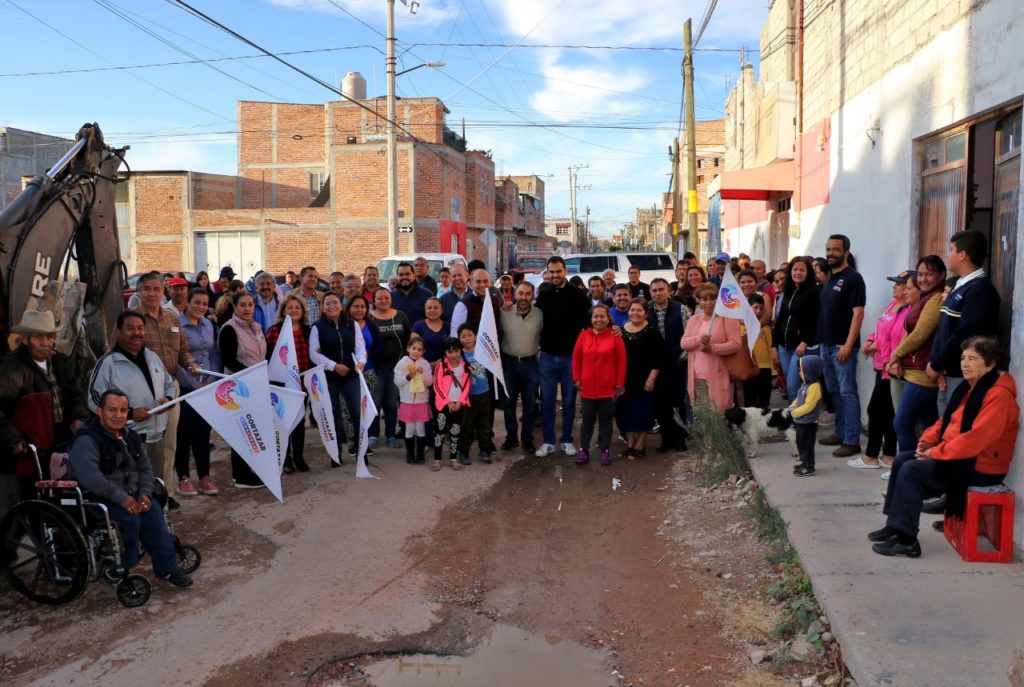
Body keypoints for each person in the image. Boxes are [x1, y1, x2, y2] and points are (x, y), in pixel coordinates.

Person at [870, 337, 1017, 558]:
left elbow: (975, 439)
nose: (964, 363)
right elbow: (947, 422)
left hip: (981, 468)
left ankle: (907, 540)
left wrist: (936, 453)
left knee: (912, 470)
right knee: (902, 460)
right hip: (961, 458)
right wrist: (927, 440)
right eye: (963, 358)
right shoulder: (971, 389)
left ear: (990, 364)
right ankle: (895, 524)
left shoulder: (999, 396)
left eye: (972, 359)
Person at [68, 389, 193, 587]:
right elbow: (91, 478)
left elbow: (145, 468)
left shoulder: (130, 436)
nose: (118, 415)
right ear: (100, 411)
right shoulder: (87, 439)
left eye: (123, 410)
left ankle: (167, 568)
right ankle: (118, 568)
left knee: (154, 514)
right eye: (112, 410)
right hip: (99, 498)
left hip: (131, 494)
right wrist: (122, 498)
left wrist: (145, 494)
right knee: (130, 520)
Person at [0, 311, 89, 516]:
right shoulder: (10, 367)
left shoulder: (59, 362)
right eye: (38, 337)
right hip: (27, 450)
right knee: (27, 505)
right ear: (25, 339)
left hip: (58, 445)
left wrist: (78, 418)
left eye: (49, 337)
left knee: (59, 502)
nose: (45, 343)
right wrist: (14, 440)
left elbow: (75, 395)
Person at [88, 311, 176, 492]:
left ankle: (162, 508)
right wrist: (129, 414)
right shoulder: (108, 363)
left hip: (156, 438)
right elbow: (94, 400)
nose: (136, 333)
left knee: (156, 488)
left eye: (140, 328)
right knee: (131, 490)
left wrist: (167, 401)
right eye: (130, 328)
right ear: (118, 331)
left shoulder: (153, 357)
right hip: (127, 441)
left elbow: (169, 384)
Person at [134, 271, 197, 505]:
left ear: (163, 292)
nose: (152, 293)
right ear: (139, 291)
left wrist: (189, 363)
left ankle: (167, 493)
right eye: (147, 289)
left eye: (156, 289)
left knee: (170, 444)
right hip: (143, 390)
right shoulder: (131, 320)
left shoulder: (172, 318)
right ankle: (148, 493)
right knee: (149, 446)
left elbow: (183, 350)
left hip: (171, 388)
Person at [928, 229, 1001, 415]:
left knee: (957, 425)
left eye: (951, 250)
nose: (948, 254)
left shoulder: (980, 290)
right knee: (944, 425)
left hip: (961, 375)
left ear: (962, 255)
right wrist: (935, 362)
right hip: (946, 373)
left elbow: (965, 333)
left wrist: (937, 363)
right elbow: (943, 328)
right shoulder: (960, 285)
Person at [886, 256, 946, 453]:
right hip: (916, 370)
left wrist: (896, 354)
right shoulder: (926, 298)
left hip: (923, 374)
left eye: (929, 274)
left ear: (942, 275)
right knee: (928, 427)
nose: (923, 279)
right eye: (920, 274)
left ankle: (906, 465)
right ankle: (923, 466)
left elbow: (920, 334)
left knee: (902, 424)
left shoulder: (936, 298)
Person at [852, 271, 910, 471]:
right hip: (882, 365)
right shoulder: (893, 304)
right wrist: (870, 341)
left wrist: (880, 351)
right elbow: (881, 329)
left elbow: (895, 338)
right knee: (885, 411)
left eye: (899, 284)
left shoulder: (908, 311)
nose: (895, 287)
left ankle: (873, 456)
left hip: (891, 367)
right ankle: (887, 455)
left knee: (877, 411)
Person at [534, 256, 591, 457]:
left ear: (565, 271)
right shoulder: (543, 294)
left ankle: (567, 439)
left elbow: (589, 324)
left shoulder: (578, 294)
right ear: (547, 273)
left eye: (558, 271)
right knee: (548, 402)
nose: (555, 275)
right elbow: (534, 320)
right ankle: (548, 441)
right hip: (547, 357)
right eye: (552, 271)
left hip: (571, 357)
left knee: (568, 402)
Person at [817, 234, 866, 459]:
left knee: (848, 393)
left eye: (836, 250)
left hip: (841, 347)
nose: (831, 254)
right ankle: (840, 432)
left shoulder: (853, 278)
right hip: (826, 346)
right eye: (828, 249)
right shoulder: (830, 278)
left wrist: (848, 345)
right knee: (835, 392)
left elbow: (858, 313)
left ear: (846, 252)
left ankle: (852, 440)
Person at [218, 291, 268, 488]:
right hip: (239, 389)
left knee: (255, 428)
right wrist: (251, 376)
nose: (247, 309)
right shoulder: (229, 329)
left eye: (250, 305)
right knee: (243, 431)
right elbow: (228, 360)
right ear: (235, 307)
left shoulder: (256, 327)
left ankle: (251, 468)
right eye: (243, 305)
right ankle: (240, 475)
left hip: (257, 385)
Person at [310, 292, 367, 461]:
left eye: (335, 302)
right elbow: (314, 354)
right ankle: (335, 455)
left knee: (357, 413)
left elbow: (360, 347)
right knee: (333, 415)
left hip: (351, 375)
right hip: (329, 377)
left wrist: (361, 362)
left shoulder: (352, 324)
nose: (332, 306)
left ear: (341, 305)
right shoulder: (317, 327)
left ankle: (361, 452)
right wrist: (334, 366)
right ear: (322, 307)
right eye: (327, 303)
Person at [175, 289, 221, 495]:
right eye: (197, 302)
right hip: (186, 387)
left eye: (204, 303)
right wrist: (194, 385)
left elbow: (213, 355)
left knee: (203, 433)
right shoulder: (176, 324)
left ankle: (204, 476)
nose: (201, 307)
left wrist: (212, 380)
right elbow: (176, 359)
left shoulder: (209, 324)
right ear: (187, 302)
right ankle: (183, 477)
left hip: (207, 387)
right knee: (183, 434)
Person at [572, 304, 626, 466]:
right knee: (587, 420)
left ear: (608, 319)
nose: (599, 319)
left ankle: (605, 450)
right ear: (591, 319)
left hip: (608, 387)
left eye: (602, 316)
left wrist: (620, 383)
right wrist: (576, 379)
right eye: (596, 316)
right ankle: (583, 449)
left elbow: (622, 361)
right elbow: (576, 358)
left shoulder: (615, 336)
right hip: (587, 387)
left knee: (606, 420)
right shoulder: (583, 335)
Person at [266, 293, 312, 471]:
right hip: (281, 385)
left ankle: (299, 457)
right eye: (290, 307)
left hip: (301, 383)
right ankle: (285, 459)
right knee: (283, 423)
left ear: (303, 311)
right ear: (283, 310)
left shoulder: (308, 330)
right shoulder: (275, 331)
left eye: (297, 307)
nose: (294, 310)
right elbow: (269, 357)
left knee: (299, 422)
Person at [681, 283, 742, 413]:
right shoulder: (693, 319)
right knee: (702, 416)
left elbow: (736, 344)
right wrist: (699, 339)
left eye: (713, 298)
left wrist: (712, 348)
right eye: (704, 299)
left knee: (719, 414)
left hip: (719, 374)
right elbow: (684, 343)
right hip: (696, 377)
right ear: (699, 302)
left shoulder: (728, 319)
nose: (709, 302)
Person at [616, 298, 664, 458]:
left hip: (644, 380)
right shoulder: (620, 331)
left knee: (643, 413)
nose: (635, 313)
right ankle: (630, 444)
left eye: (639, 310)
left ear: (645, 313)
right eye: (632, 310)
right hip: (624, 380)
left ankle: (640, 445)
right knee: (626, 412)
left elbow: (659, 359)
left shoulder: (652, 331)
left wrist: (651, 379)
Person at [499, 282, 542, 453]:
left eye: (527, 294)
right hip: (509, 364)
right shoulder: (505, 312)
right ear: (515, 294)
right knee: (508, 404)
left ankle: (527, 440)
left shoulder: (539, 314)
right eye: (521, 293)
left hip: (530, 364)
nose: (524, 297)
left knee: (530, 405)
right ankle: (511, 438)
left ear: (533, 296)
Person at [648, 278, 690, 452]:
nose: (658, 293)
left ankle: (680, 439)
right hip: (655, 366)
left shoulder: (681, 309)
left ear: (668, 291)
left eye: (661, 289)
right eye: (654, 290)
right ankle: (666, 439)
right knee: (659, 404)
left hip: (677, 363)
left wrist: (682, 357)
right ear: (650, 293)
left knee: (677, 401)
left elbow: (690, 334)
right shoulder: (646, 310)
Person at [773, 257, 819, 402]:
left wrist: (805, 342)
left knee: (793, 387)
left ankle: (798, 415)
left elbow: (815, 320)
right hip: (784, 346)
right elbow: (780, 319)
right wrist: (774, 346)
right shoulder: (788, 290)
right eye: (795, 269)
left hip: (801, 347)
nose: (798, 273)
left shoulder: (813, 291)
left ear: (808, 273)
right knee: (791, 386)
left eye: (802, 270)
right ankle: (796, 413)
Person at [369, 288, 411, 448]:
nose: (383, 301)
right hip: (376, 367)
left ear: (391, 299)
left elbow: (409, 337)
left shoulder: (401, 315)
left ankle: (390, 435)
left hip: (397, 367)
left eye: (386, 297)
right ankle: (373, 434)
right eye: (379, 298)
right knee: (375, 401)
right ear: (374, 300)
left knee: (392, 402)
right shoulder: (370, 317)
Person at [456, 324, 497, 464]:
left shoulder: (483, 352)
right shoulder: (459, 355)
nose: (467, 338)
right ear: (459, 339)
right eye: (463, 336)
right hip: (467, 396)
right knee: (466, 425)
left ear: (475, 336)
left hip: (484, 393)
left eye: (470, 335)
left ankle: (484, 450)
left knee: (484, 424)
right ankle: (463, 451)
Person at [395, 336, 434, 465]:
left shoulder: (425, 364)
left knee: (420, 429)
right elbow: (397, 382)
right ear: (408, 348)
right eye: (413, 348)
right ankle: (410, 454)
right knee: (410, 429)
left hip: (421, 402)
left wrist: (422, 374)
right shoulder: (402, 363)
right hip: (407, 402)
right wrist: (409, 376)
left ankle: (420, 454)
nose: (416, 352)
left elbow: (429, 382)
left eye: (419, 349)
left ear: (423, 352)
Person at [432, 337, 469, 471]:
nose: (454, 355)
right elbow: (437, 385)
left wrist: (460, 401)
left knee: (455, 431)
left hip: (458, 405)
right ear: (445, 353)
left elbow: (467, 386)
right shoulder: (441, 367)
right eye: (450, 352)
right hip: (443, 405)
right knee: (440, 432)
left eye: (456, 351)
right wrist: (447, 401)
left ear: (461, 350)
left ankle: (453, 458)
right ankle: (437, 459)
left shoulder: (465, 367)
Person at [790, 355, 825, 477]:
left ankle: (809, 466)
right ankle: (804, 463)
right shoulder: (805, 384)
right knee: (800, 442)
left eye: (801, 371)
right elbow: (799, 398)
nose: (799, 373)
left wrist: (796, 412)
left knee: (807, 445)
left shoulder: (814, 387)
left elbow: (809, 405)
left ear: (810, 371)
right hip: (801, 421)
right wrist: (793, 405)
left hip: (809, 423)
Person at [450, 269, 502, 337]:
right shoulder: (463, 305)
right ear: (471, 284)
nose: (482, 285)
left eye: (485, 281)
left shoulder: (495, 300)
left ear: (490, 283)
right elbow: (455, 333)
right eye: (478, 282)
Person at [744, 294, 774, 410]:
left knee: (763, 401)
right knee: (750, 399)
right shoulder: (741, 326)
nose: (758, 311)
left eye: (761, 308)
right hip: (749, 366)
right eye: (755, 307)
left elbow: (770, 347)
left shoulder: (766, 327)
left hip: (764, 367)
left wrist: (773, 367)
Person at [412, 297, 449, 365]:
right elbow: (413, 349)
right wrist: (427, 365)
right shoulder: (417, 326)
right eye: (429, 308)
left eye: (435, 308)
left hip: (443, 365)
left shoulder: (448, 327)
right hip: (421, 366)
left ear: (441, 310)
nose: (432, 310)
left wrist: (439, 363)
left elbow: (451, 348)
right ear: (425, 310)